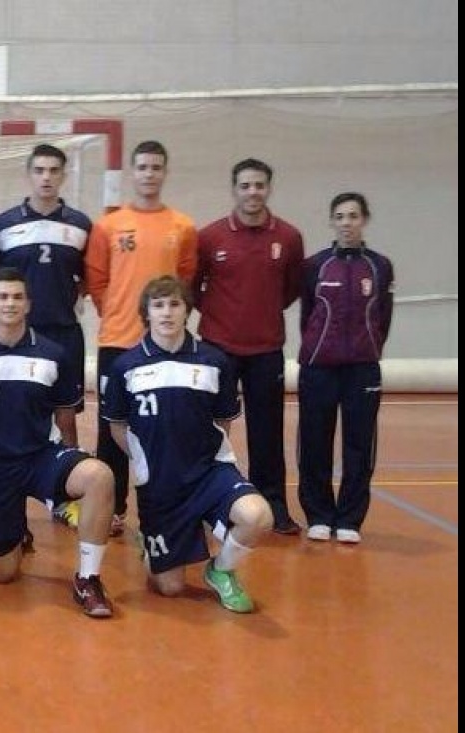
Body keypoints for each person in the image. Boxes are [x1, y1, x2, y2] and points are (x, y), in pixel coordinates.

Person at [0, 268, 117, 618]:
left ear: (28, 303)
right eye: (3, 297)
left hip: (40, 458)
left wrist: (73, 461)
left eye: (18, 297)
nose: (10, 303)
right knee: (3, 575)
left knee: (99, 476)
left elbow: (65, 418)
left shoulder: (53, 354)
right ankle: (15, 530)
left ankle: (88, 578)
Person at [101, 275, 272, 613]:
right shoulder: (126, 366)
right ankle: (153, 548)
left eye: (175, 304)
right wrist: (145, 461)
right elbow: (117, 427)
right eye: (158, 305)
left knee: (258, 517)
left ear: (187, 311)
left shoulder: (214, 361)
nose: (167, 313)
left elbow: (223, 421)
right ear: (146, 313)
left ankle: (221, 570)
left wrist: (214, 457)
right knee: (170, 588)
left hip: (210, 473)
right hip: (161, 485)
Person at [84, 140, 198, 538]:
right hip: (117, 340)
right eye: (143, 167)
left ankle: (170, 500)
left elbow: (184, 281)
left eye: (156, 167)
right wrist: (117, 312)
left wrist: (164, 323)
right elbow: (96, 280)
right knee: (111, 429)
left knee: (164, 426)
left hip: (164, 347)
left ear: (165, 172)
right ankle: (113, 508)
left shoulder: (182, 226)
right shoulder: (108, 225)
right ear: (132, 172)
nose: (149, 174)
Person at [0, 144, 93, 532]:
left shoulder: (81, 225)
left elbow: (89, 278)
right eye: (40, 170)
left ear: (63, 175)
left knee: (66, 417)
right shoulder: (2, 226)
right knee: (16, 420)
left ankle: (65, 498)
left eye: (54, 170)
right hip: (18, 339)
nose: (46, 177)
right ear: (29, 175)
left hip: (63, 333)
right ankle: (11, 503)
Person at [194, 158, 306, 535]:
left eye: (259, 185)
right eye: (245, 185)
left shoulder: (288, 238)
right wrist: (221, 319)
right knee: (212, 430)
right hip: (217, 348)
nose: (252, 192)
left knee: (267, 432)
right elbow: (192, 289)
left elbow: (291, 289)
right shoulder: (209, 237)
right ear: (234, 190)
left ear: (269, 188)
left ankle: (273, 506)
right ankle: (209, 503)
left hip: (266, 350)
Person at [297, 192, 395, 545]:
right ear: (331, 222)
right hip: (318, 368)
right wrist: (318, 349)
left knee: (359, 445)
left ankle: (350, 518)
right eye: (339, 216)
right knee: (314, 443)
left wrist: (367, 349)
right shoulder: (315, 266)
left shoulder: (380, 266)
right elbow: (308, 314)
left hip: (362, 371)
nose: (346, 223)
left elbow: (383, 317)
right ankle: (319, 515)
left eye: (353, 216)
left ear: (364, 220)